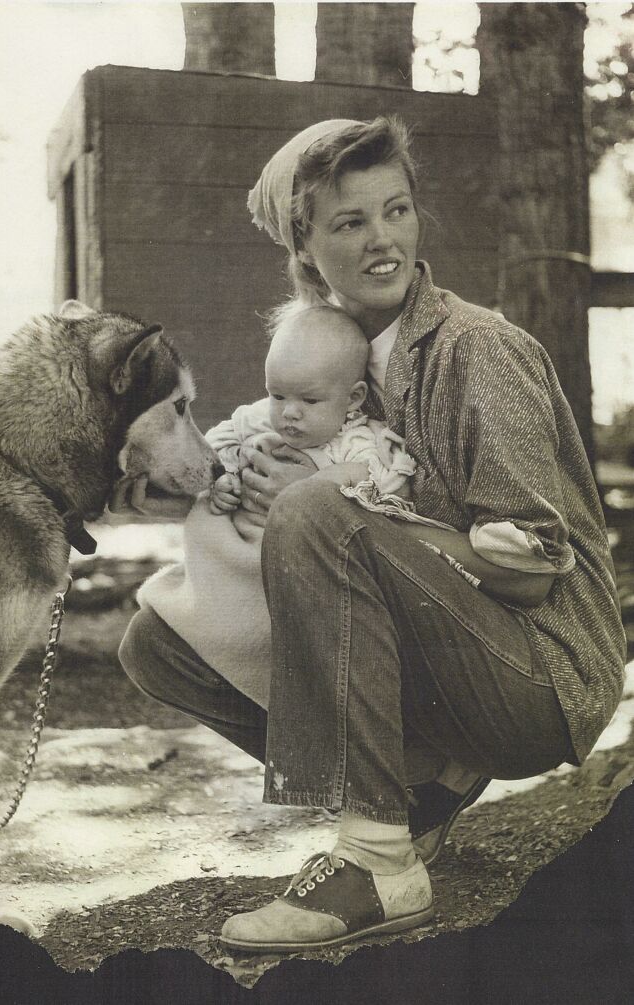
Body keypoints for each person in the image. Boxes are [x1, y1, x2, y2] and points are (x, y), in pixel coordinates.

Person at [118, 117, 626, 953]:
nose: (384, 240)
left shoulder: (476, 351)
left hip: (542, 674)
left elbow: (534, 573)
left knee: (316, 513)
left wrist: (332, 505)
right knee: (157, 642)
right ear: (305, 248)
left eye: (397, 210)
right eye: (350, 223)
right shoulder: (327, 360)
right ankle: (417, 791)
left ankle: (379, 862)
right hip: (455, 664)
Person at [134, 303, 425, 709]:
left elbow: (389, 497)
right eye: (277, 395)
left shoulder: (360, 444)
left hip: (298, 576)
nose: (289, 412)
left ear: (353, 398)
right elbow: (215, 447)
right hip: (240, 557)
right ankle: (212, 623)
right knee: (207, 538)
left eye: (309, 400)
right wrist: (224, 482)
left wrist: (328, 483)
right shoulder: (258, 420)